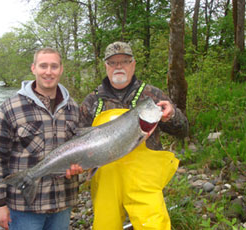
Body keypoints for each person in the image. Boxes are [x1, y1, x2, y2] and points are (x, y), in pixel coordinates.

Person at [79, 41, 189, 229]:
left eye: (124, 61)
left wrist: (171, 115)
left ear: (133, 64)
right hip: (106, 181)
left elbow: (183, 130)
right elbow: (78, 142)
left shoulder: (152, 94)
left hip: (144, 182)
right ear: (106, 66)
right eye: (113, 63)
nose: (119, 66)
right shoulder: (92, 101)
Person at [0, 47, 82, 230]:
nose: (48, 72)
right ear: (33, 68)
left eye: (54, 66)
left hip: (62, 202)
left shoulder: (73, 108)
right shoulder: (10, 108)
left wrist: (79, 167)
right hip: (23, 208)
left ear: (61, 69)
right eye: (43, 66)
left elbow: (80, 150)